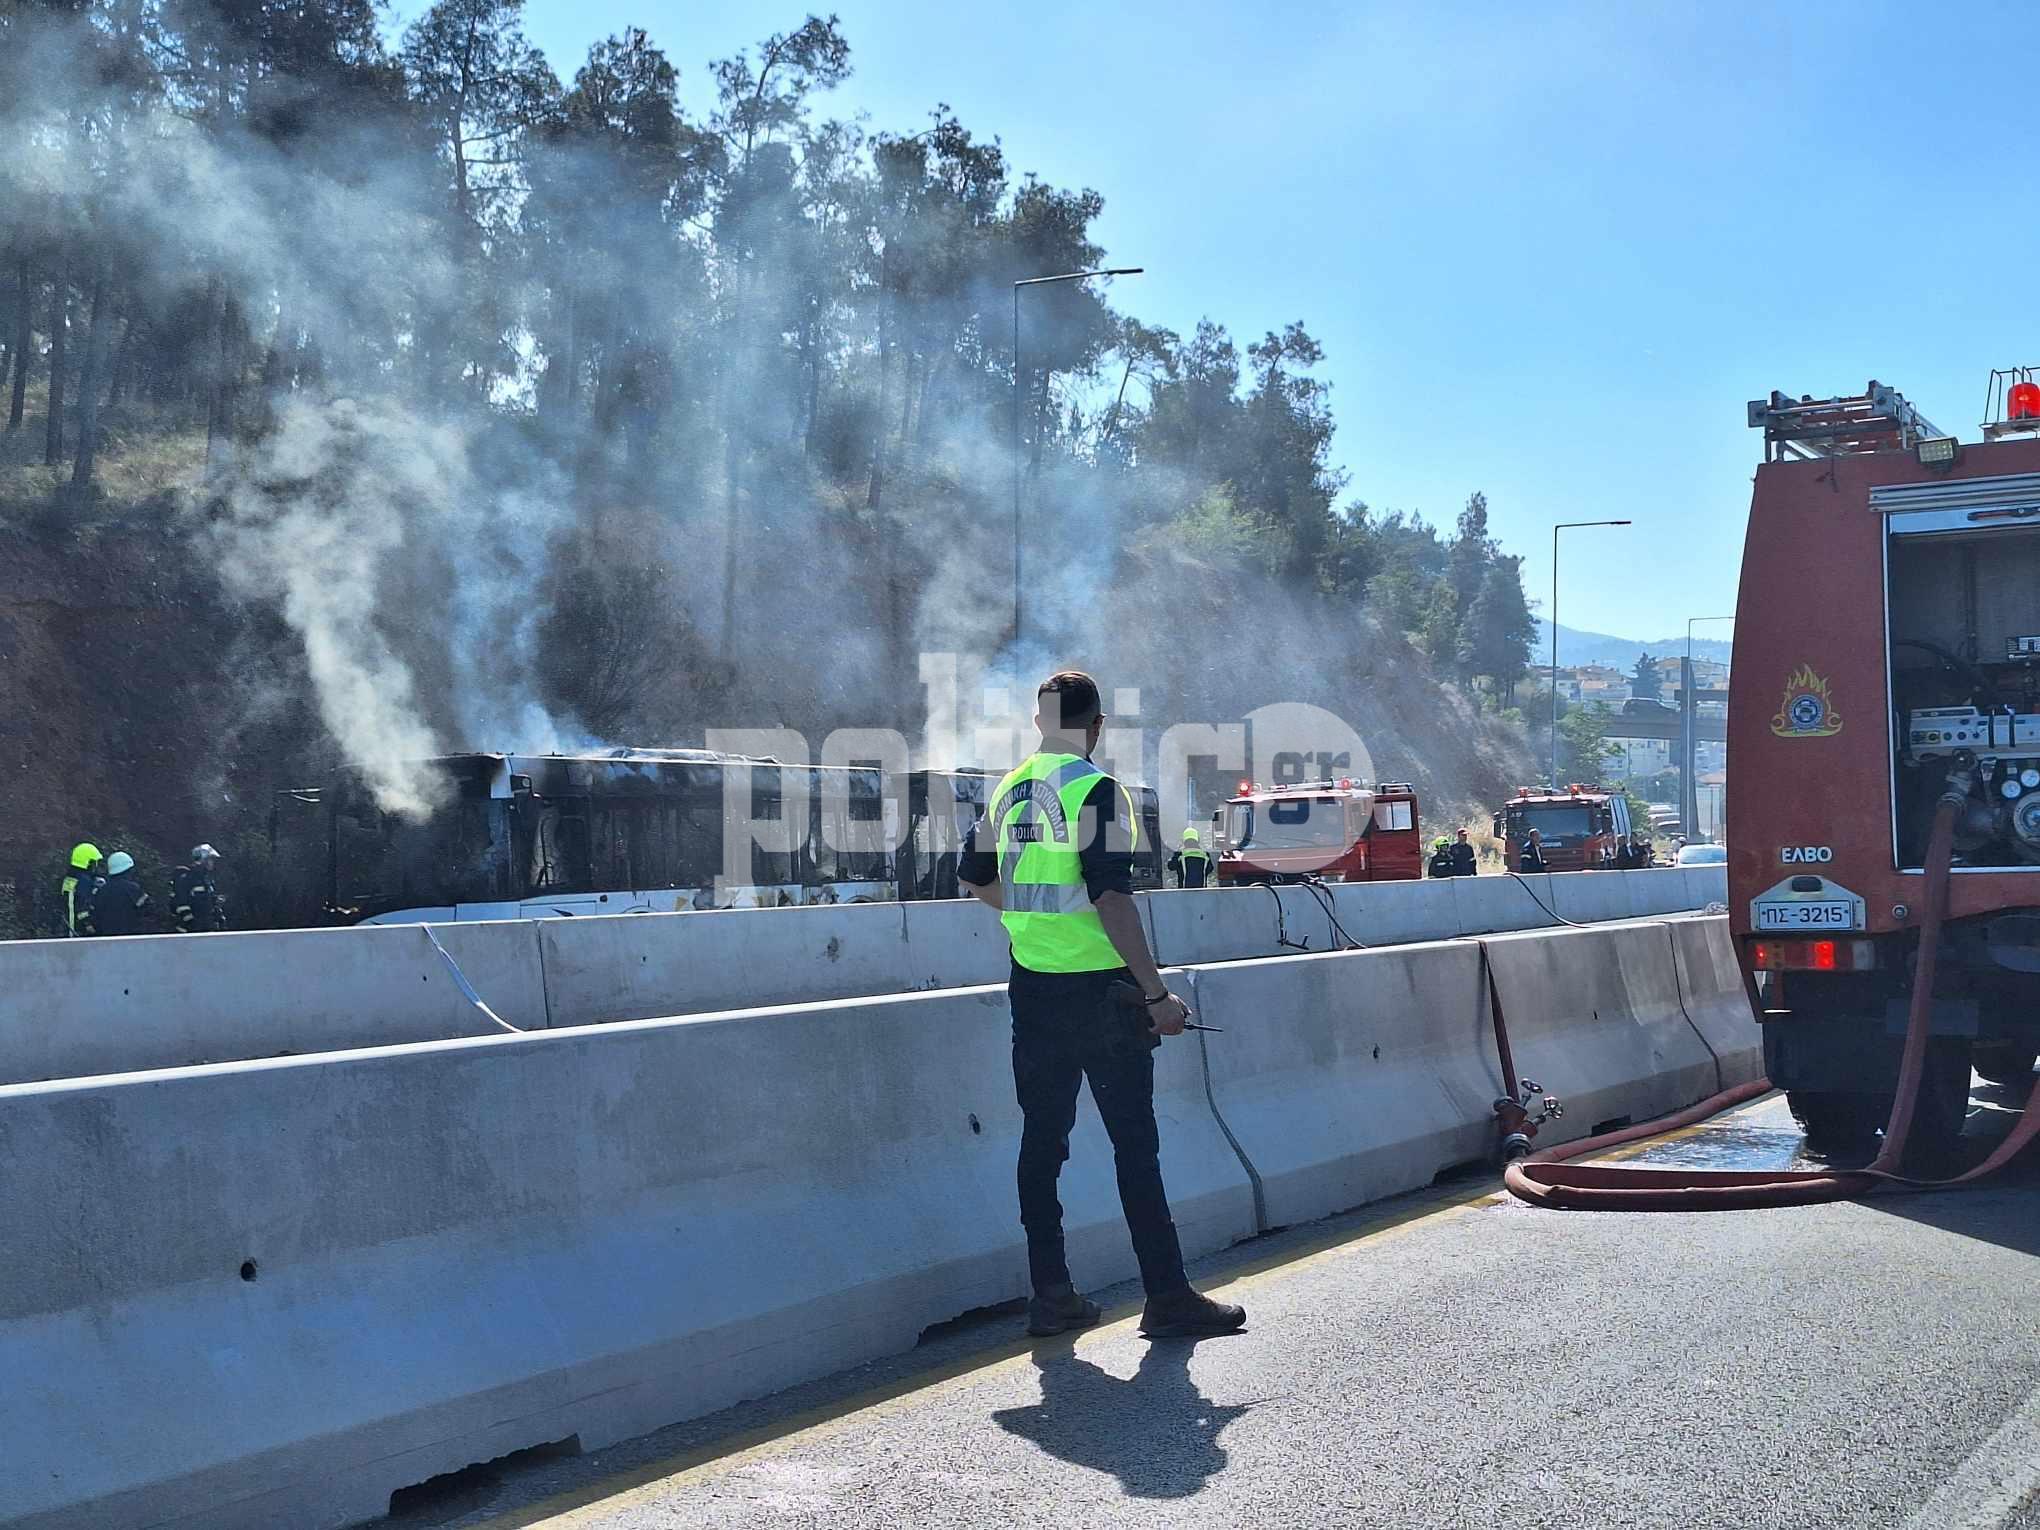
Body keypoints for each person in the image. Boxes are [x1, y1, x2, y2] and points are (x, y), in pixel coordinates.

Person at [959, 670, 1247, 1341]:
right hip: (1103, 994)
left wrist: (1034, 918)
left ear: (1039, 723)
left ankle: (1052, 1296)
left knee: (1042, 1142)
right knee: (1134, 1145)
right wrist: (1157, 994)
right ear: (1096, 725)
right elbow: (1111, 898)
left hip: (1033, 990)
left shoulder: (1008, 789)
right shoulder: (1095, 789)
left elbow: (974, 879)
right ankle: (1167, 1295)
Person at [90, 851, 153, 935]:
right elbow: (148, 910)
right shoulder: (132, 889)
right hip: (130, 937)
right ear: (128, 870)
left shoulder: (102, 890)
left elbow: (95, 916)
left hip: (106, 938)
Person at [171, 843, 228, 932]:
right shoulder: (187, 878)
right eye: (210, 859)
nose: (213, 862)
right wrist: (191, 923)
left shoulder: (206, 879)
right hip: (189, 931)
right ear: (203, 859)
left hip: (206, 928)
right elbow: (181, 903)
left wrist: (217, 906)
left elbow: (206, 904)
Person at [59, 842, 104, 936]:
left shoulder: (70, 877)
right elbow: (82, 905)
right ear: (88, 862)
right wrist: (88, 924)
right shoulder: (84, 881)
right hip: (78, 931)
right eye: (94, 862)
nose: (96, 866)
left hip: (65, 927)